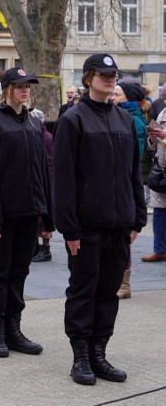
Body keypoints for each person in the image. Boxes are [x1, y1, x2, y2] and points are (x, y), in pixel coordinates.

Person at [53, 53, 147, 385]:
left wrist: (138, 218)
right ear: (89, 77)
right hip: (86, 226)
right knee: (83, 291)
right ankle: (80, 356)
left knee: (108, 292)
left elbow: (133, 172)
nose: (110, 80)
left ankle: (99, 353)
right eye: (103, 75)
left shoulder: (124, 119)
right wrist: (69, 228)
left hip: (119, 224)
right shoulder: (73, 119)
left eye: (114, 75)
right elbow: (63, 178)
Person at [0, 68, 53, 358]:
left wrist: (47, 211)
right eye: (19, 86)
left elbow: (42, 170)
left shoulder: (34, 123)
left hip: (29, 212)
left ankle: (13, 327)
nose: (25, 91)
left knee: (20, 270)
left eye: (28, 86)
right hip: (4, 215)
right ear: (7, 89)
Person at [113, 80, 148, 300]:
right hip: (118, 184)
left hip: (125, 184)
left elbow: (135, 154)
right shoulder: (120, 115)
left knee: (124, 237)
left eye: (117, 93)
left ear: (129, 97)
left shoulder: (133, 120)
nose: (113, 96)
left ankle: (124, 284)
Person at [30, 109, 55, 263]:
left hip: (45, 181)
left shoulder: (46, 137)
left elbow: (50, 162)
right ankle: (36, 248)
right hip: (36, 180)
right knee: (35, 219)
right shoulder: (36, 135)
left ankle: (45, 249)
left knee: (43, 219)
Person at [144, 107, 166, 263]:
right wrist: (152, 138)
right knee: (159, 213)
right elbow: (155, 146)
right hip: (161, 170)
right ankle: (159, 250)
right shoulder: (162, 113)